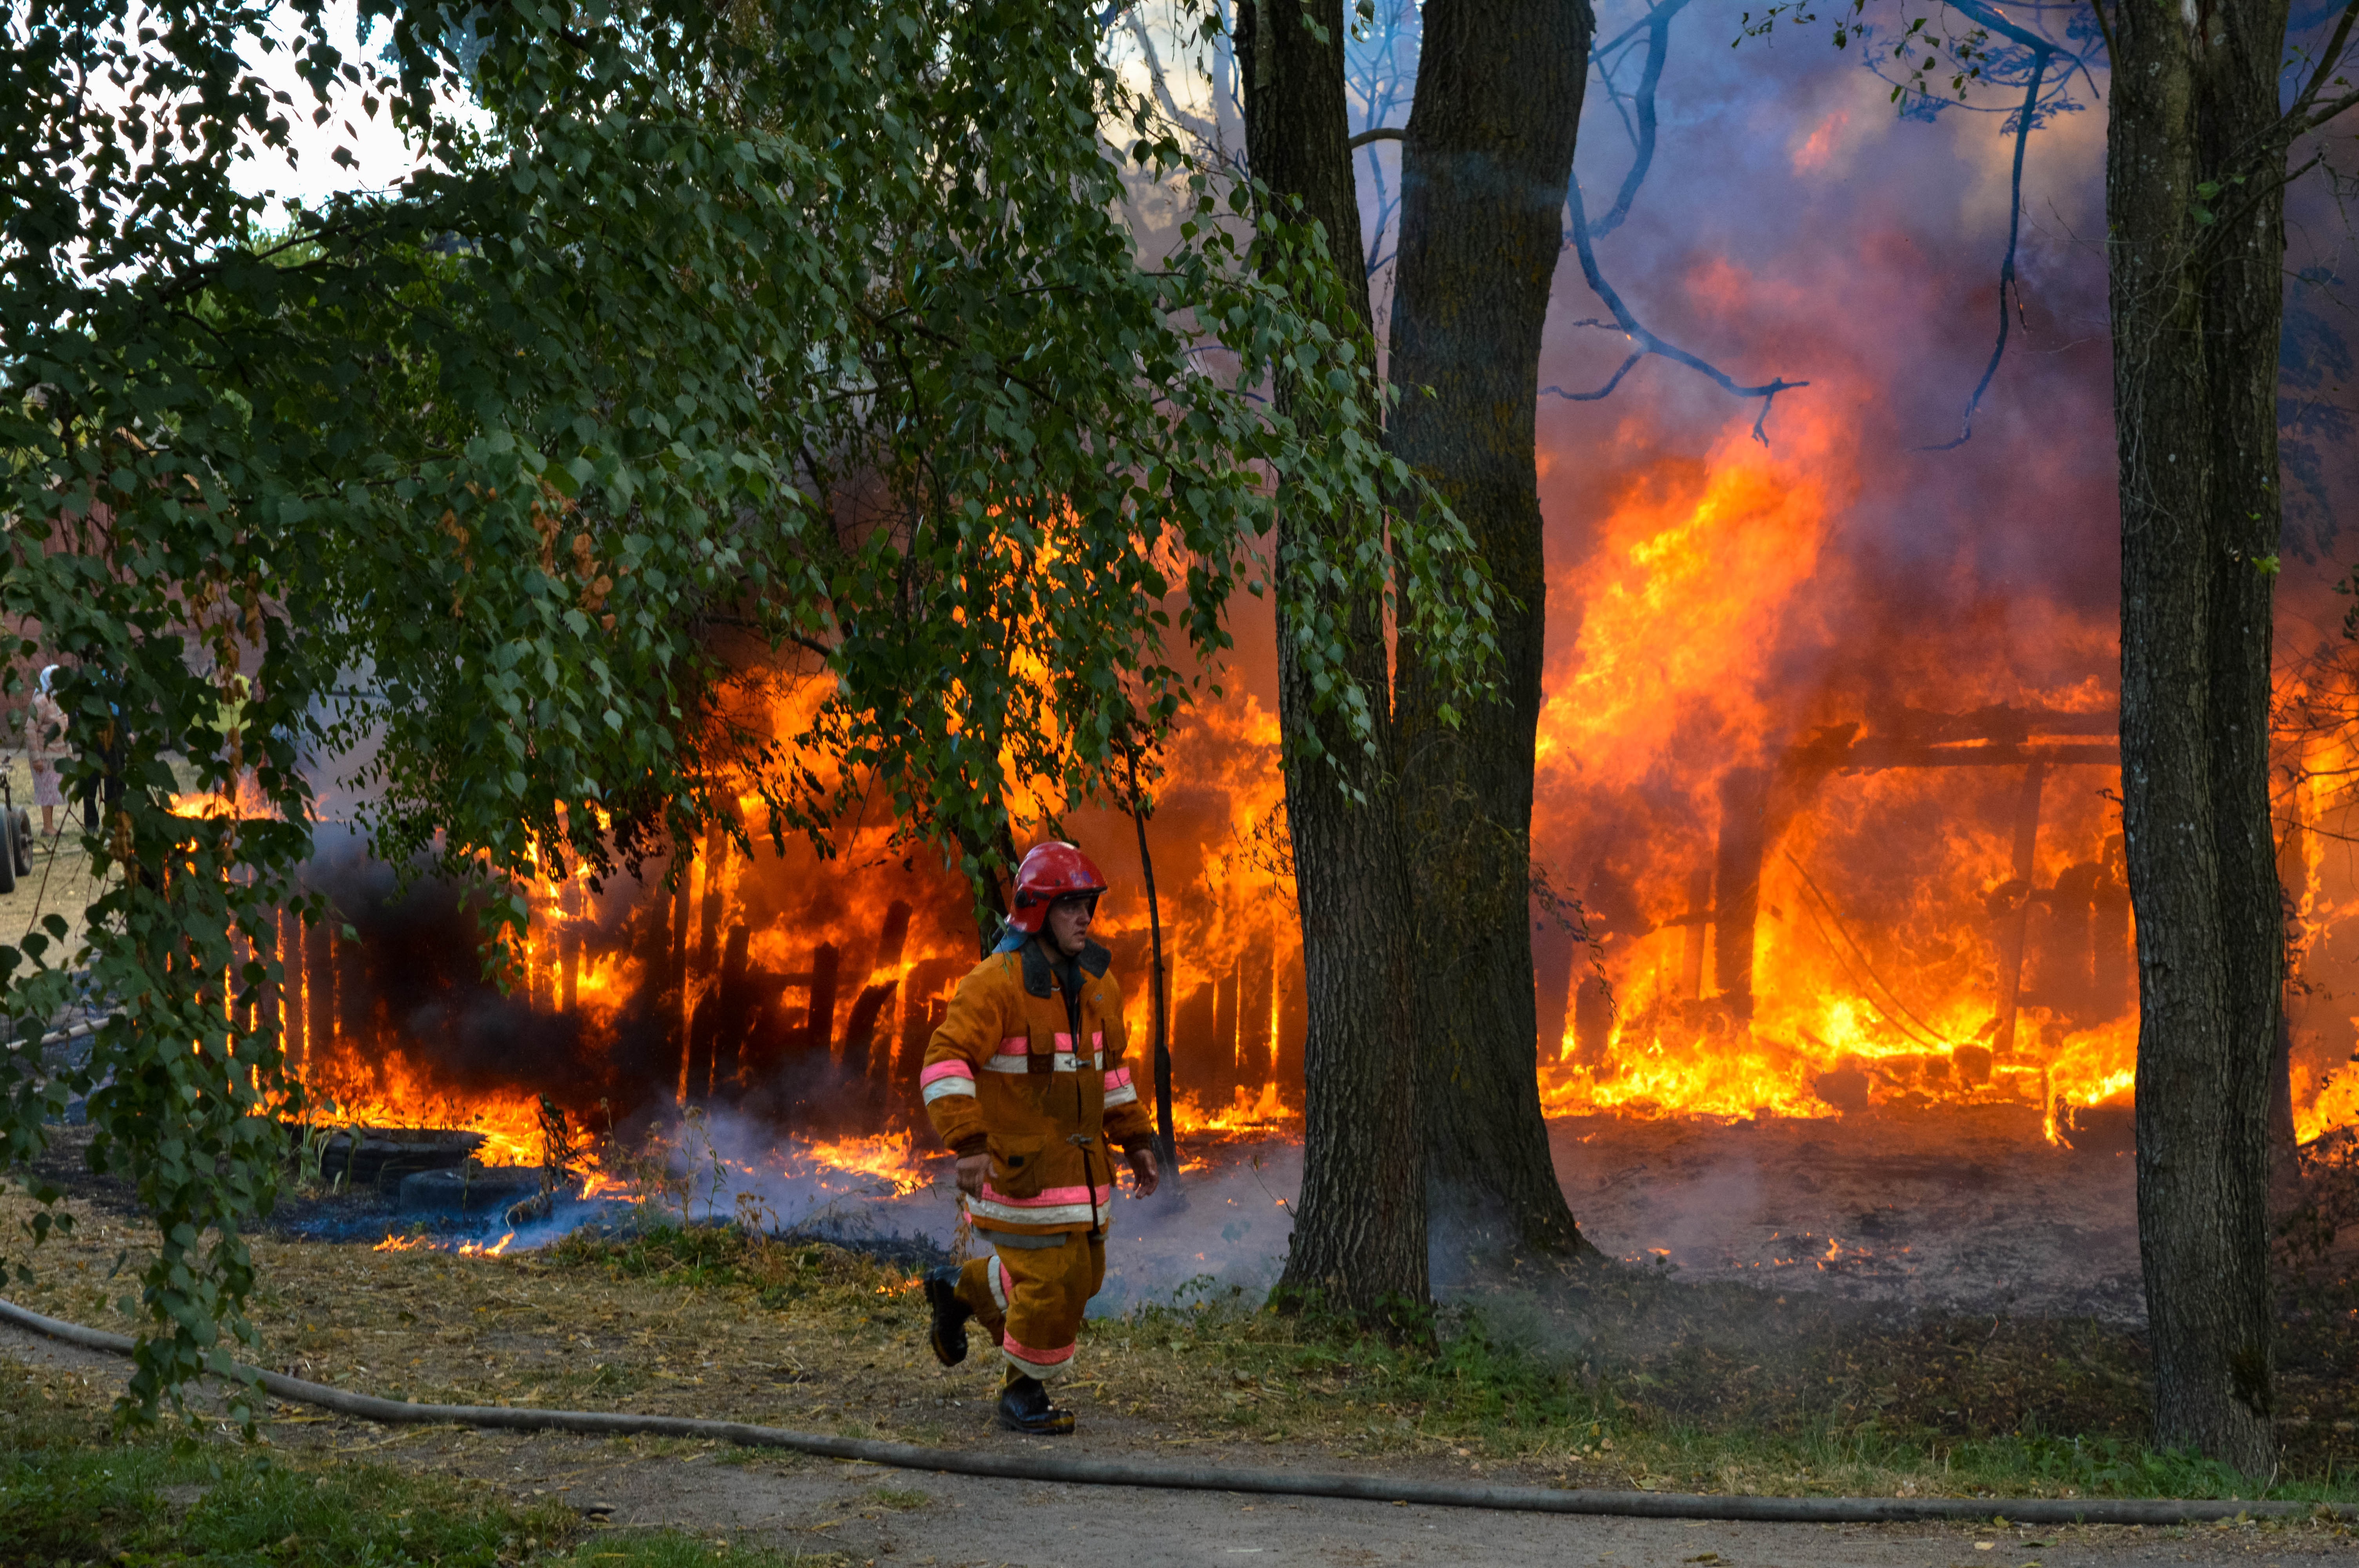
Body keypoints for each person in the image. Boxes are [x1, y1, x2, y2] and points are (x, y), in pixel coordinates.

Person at [917, 840, 1160, 1435]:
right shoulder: (993, 985)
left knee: (1085, 1275)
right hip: (1018, 1172)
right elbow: (944, 1061)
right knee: (1054, 1281)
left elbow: (1112, 1076)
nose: (1086, 918)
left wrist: (1136, 1141)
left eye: (1089, 906)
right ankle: (1022, 1390)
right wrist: (970, 1144)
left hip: (1080, 1176)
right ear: (1036, 912)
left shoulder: (1100, 987)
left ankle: (966, 1289)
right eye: (1071, 906)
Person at [25, 665, 67, 839]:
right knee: (47, 791)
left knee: (55, 791)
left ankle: (50, 826)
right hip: (44, 756)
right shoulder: (41, 701)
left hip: (58, 754)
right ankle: (47, 827)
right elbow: (30, 730)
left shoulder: (59, 699)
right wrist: (37, 759)